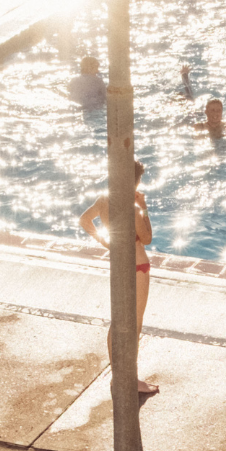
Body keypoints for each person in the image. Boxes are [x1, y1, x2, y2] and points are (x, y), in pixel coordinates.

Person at [78, 160, 158, 395]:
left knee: (117, 322)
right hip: (138, 267)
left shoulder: (104, 199)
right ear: (134, 181)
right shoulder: (132, 207)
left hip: (119, 265)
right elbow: (147, 238)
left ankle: (117, 377)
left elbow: (85, 220)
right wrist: (143, 207)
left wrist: (106, 242)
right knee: (135, 324)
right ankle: (130, 380)